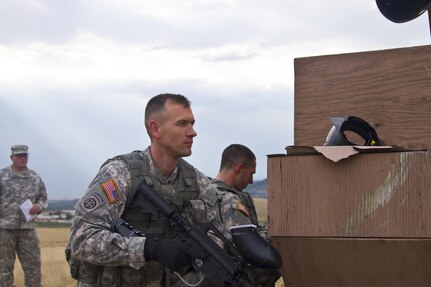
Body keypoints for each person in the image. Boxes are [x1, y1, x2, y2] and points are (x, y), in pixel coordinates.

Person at [66, 93, 232, 287]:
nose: (192, 132)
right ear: (155, 129)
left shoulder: (197, 183)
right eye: (182, 124)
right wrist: (148, 248)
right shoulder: (120, 174)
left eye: (192, 124)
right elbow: (82, 239)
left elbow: (219, 237)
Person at [212, 144, 281, 287]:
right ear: (238, 169)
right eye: (251, 174)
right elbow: (251, 248)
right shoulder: (230, 202)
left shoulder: (207, 192)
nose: (251, 181)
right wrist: (276, 231)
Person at [0, 144, 48, 287]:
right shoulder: (2, 176)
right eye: (19, 155)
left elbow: (43, 198)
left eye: (25, 155)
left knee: (33, 268)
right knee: (3, 269)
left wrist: (39, 206)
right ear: (11, 157)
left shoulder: (35, 177)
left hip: (28, 229)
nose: (22, 158)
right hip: (5, 230)